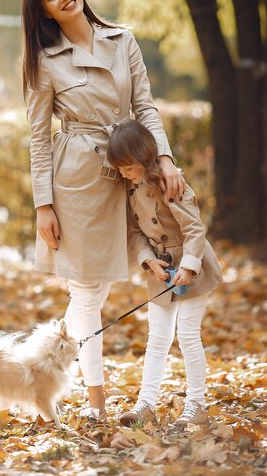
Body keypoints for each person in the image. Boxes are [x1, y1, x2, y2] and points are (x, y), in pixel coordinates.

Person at [21, 0, 185, 420]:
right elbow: (38, 138)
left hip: (136, 170)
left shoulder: (122, 39)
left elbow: (145, 106)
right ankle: (95, 404)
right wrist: (43, 205)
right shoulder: (45, 60)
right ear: (45, 14)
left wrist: (165, 160)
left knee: (161, 273)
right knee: (89, 293)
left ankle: (152, 394)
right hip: (79, 180)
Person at [107, 119, 222, 427]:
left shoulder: (170, 184)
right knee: (157, 339)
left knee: (187, 335)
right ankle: (146, 403)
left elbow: (195, 229)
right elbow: (134, 231)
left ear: (144, 159)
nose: (123, 174)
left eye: (127, 168)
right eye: (119, 169)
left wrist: (188, 267)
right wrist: (148, 260)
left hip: (191, 268)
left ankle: (196, 404)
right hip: (160, 270)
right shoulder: (130, 188)